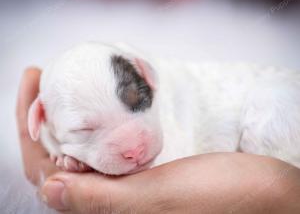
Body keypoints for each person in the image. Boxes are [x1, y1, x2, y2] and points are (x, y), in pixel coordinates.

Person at [17, 67, 300, 214]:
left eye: (137, 103)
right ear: (40, 118)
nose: (134, 149)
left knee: (273, 106)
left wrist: (283, 196)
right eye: (85, 130)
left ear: (146, 76)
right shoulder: (51, 121)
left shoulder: (167, 89)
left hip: (280, 97)